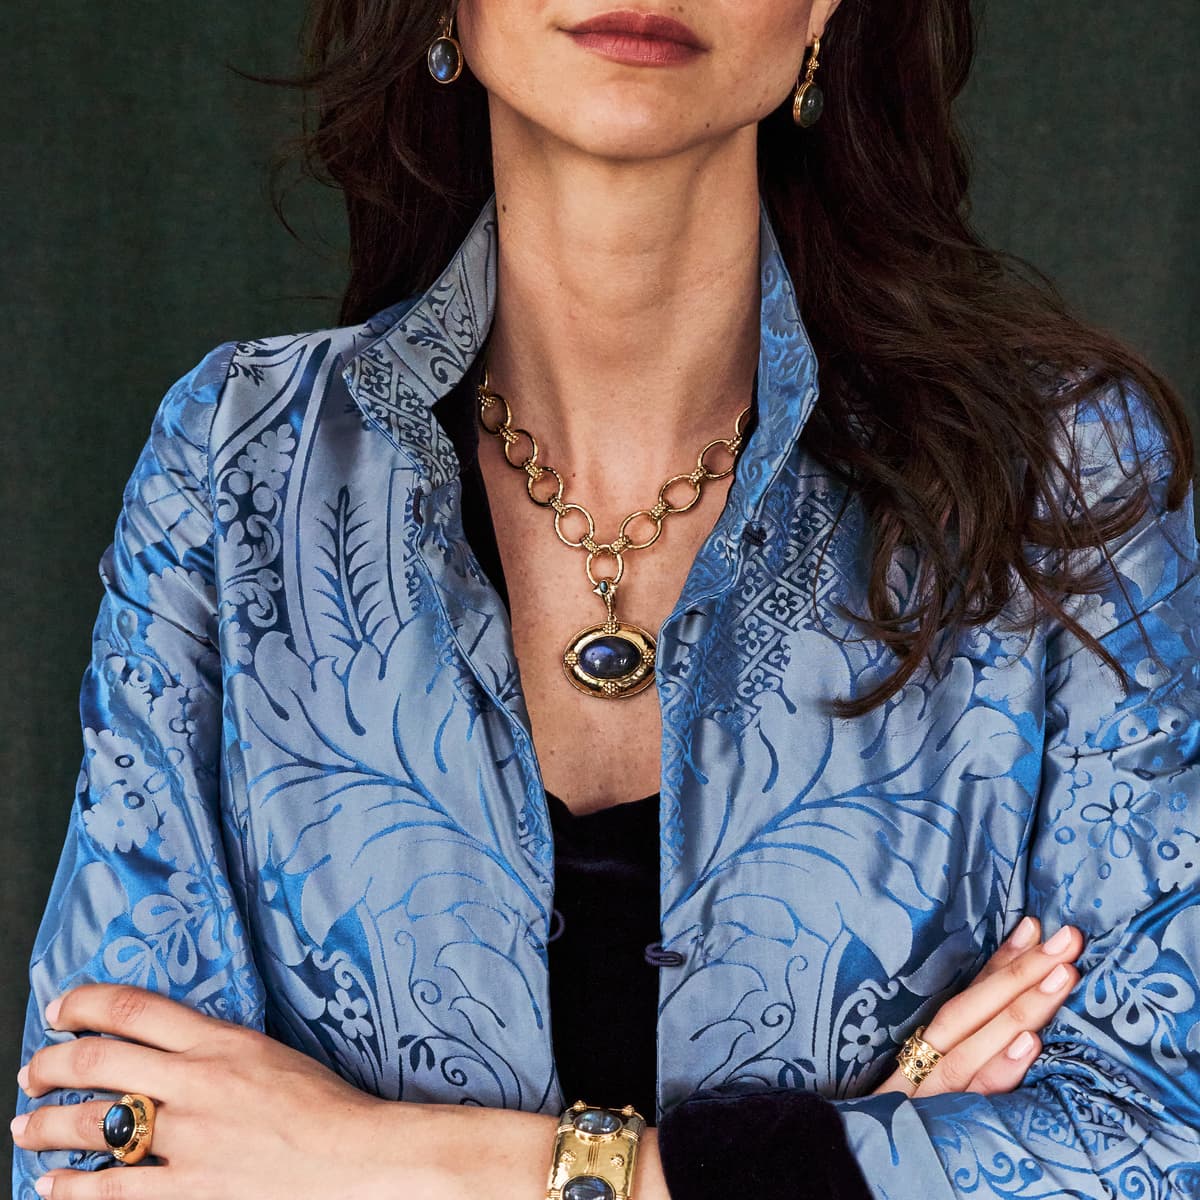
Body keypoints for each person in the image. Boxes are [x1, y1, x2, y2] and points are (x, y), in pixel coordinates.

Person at [11, 1, 1200, 1197]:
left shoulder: (1063, 477)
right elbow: (99, 1147)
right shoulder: (237, 466)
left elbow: (1156, 1144)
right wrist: (864, 1153)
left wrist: (398, 1163)